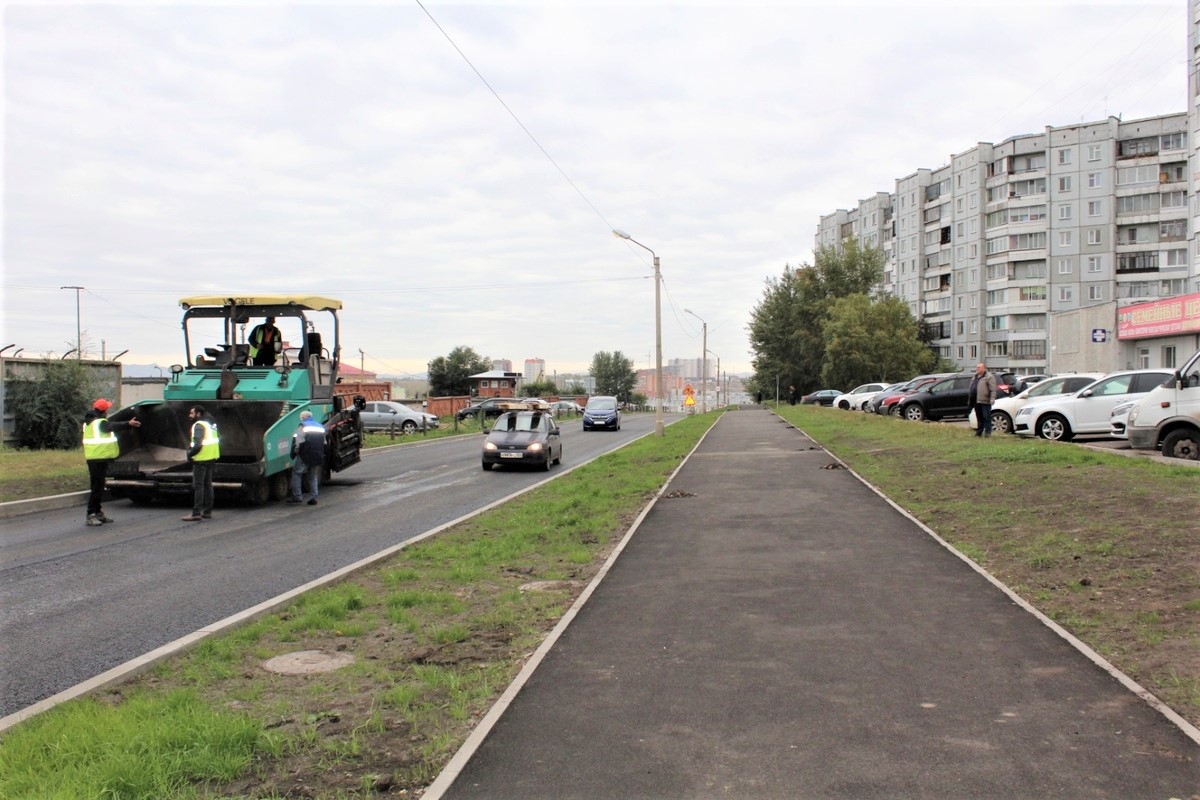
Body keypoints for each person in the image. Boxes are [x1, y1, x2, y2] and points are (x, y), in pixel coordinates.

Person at [81, 398, 141, 527]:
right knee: (96, 488)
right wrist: (128, 423)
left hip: (97, 458)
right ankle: (91, 514)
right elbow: (112, 427)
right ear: (103, 411)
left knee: (99, 487)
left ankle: (98, 512)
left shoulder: (89, 422)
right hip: (97, 459)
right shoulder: (99, 423)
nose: (108, 411)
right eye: (107, 409)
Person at [182, 405, 220, 521]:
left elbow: (198, 444)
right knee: (208, 485)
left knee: (198, 486)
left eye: (192, 413)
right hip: (210, 458)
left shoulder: (199, 426)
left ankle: (196, 513)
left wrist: (190, 454)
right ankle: (207, 512)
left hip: (201, 459)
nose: (190, 416)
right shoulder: (210, 425)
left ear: (198, 414)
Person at [288, 410, 326, 506]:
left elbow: (298, 443)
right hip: (317, 454)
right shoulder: (320, 426)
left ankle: (297, 497)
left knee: (296, 473)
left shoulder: (303, 426)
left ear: (304, 417)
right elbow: (324, 442)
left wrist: (294, 453)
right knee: (313, 476)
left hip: (305, 454)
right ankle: (314, 497)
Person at [969, 362, 998, 437]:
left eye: (979, 367)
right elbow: (971, 388)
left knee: (986, 417)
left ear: (984, 368)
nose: (977, 369)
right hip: (976, 400)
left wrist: (992, 399)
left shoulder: (989, 377)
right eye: (977, 367)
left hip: (985, 400)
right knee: (979, 417)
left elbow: (993, 389)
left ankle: (988, 433)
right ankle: (979, 432)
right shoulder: (975, 377)